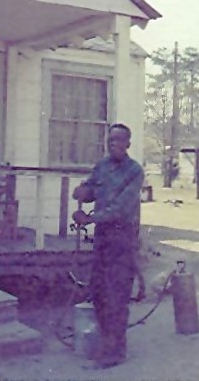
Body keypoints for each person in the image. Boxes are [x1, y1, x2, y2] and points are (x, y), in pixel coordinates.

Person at [72, 123, 144, 370]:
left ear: (128, 144)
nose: (113, 144)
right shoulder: (101, 166)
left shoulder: (135, 171)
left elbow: (122, 208)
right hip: (102, 237)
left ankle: (115, 351)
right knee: (100, 292)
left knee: (117, 295)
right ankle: (105, 344)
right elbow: (92, 189)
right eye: (110, 139)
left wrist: (89, 219)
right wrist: (82, 191)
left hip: (122, 238)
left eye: (118, 140)